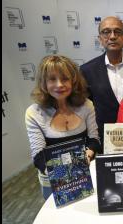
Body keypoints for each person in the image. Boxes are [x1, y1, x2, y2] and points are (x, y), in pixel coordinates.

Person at [25, 55, 101, 200]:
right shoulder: (33, 113)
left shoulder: (86, 105)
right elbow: (39, 157)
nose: (59, 84)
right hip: (53, 181)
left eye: (65, 78)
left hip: (84, 175)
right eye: (52, 79)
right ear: (43, 83)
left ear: (73, 81)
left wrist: (88, 154)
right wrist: (67, 172)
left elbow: (94, 140)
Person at [80, 16, 123, 153]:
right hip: (103, 142)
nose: (112, 36)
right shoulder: (87, 70)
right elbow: (85, 110)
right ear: (100, 39)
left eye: (117, 32)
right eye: (106, 32)